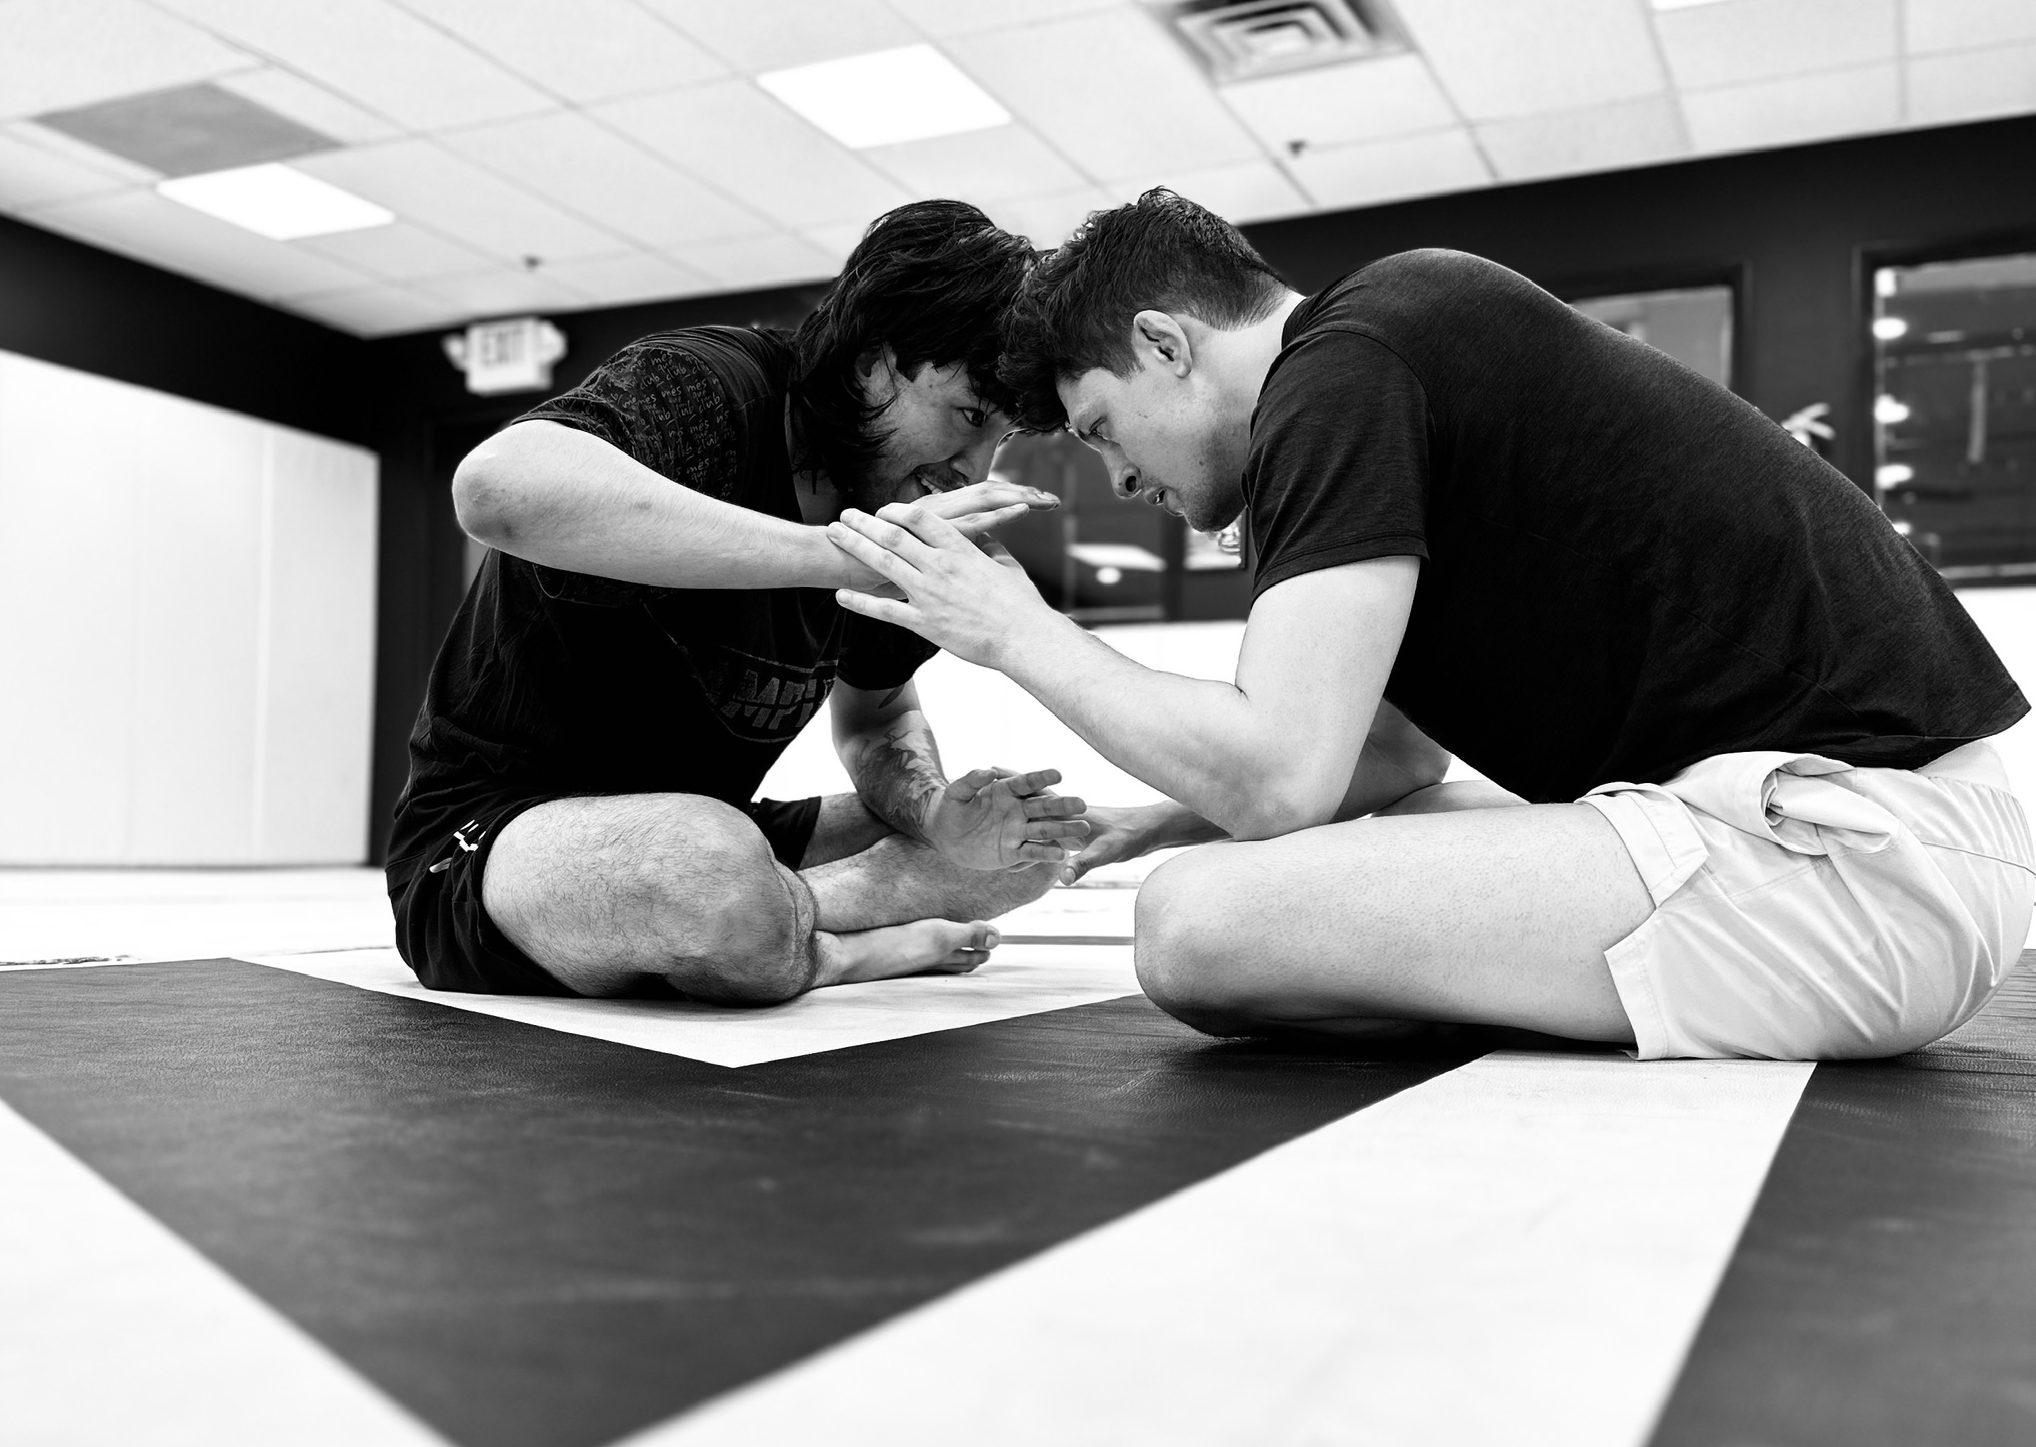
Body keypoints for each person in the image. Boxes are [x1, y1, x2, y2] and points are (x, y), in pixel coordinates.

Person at [825, 189, 2033, 1061]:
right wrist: (1143, 820)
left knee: (1193, 927)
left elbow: (1281, 778)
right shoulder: (1396, 340)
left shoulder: (1340, 370)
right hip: (1885, 840)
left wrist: (1011, 626)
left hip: (1860, 871)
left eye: (1099, 429)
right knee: (1306, 845)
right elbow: (1391, 759)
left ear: (1162, 342)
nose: (1120, 480)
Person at [385, 200, 1090, 1004]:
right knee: (707, 869)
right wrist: (835, 555)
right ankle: (834, 949)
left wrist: (933, 816)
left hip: (717, 823)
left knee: (1021, 845)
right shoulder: (714, 388)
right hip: (491, 845)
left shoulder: (896, 498)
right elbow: (493, 490)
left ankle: (782, 921)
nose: (973, 468)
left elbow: (881, 715)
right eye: (966, 416)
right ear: (871, 358)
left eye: (999, 440)